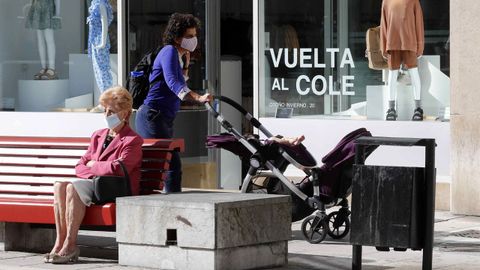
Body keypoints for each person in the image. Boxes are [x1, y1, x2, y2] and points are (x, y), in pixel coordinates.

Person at [45, 86, 143, 264]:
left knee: (72, 187)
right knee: (60, 185)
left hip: (115, 187)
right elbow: (79, 166)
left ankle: (71, 244)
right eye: (104, 110)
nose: (107, 115)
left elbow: (119, 169)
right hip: (95, 185)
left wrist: (93, 165)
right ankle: (59, 242)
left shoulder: (132, 140)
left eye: (112, 111)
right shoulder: (98, 136)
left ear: (126, 114)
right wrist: (95, 169)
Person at [135, 13, 211, 193]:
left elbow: (178, 83)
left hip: (162, 118)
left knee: (166, 166)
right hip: (153, 116)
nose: (194, 40)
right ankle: (169, 205)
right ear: (177, 37)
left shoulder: (177, 55)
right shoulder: (168, 51)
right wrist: (198, 98)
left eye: (195, 36)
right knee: (170, 166)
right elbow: (173, 83)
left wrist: (185, 64)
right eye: (189, 36)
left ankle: (166, 202)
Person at [380, 0, 424, 121]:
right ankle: (391, 108)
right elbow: (384, 24)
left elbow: (418, 23)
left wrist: (420, 46)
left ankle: (418, 108)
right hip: (392, 42)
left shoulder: (413, 1)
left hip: (410, 42)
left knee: (414, 73)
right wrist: (383, 46)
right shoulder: (386, 1)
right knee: (392, 75)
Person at [88, 0, 114, 112]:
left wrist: (102, 42)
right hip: (95, 42)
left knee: (103, 71)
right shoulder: (96, 4)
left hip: (99, 42)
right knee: (98, 71)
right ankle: (105, 101)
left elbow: (104, 23)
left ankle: (106, 102)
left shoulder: (101, 4)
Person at [25, 0, 61, 80]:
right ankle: (44, 67)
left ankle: (52, 68)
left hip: (48, 8)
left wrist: (57, 13)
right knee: (40, 40)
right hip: (37, 7)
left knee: (49, 39)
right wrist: (32, 6)